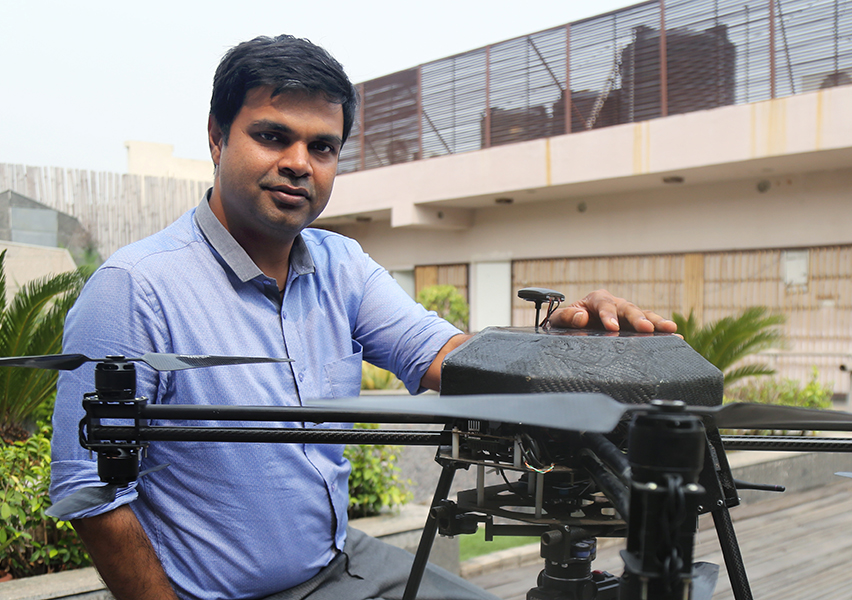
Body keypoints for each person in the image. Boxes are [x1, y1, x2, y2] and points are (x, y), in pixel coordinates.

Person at [50, 35, 677, 600]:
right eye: (272, 136)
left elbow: (440, 355)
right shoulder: (135, 289)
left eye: (322, 147)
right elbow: (90, 491)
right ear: (216, 136)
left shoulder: (340, 264)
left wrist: (564, 347)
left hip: (340, 561)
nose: (300, 162)